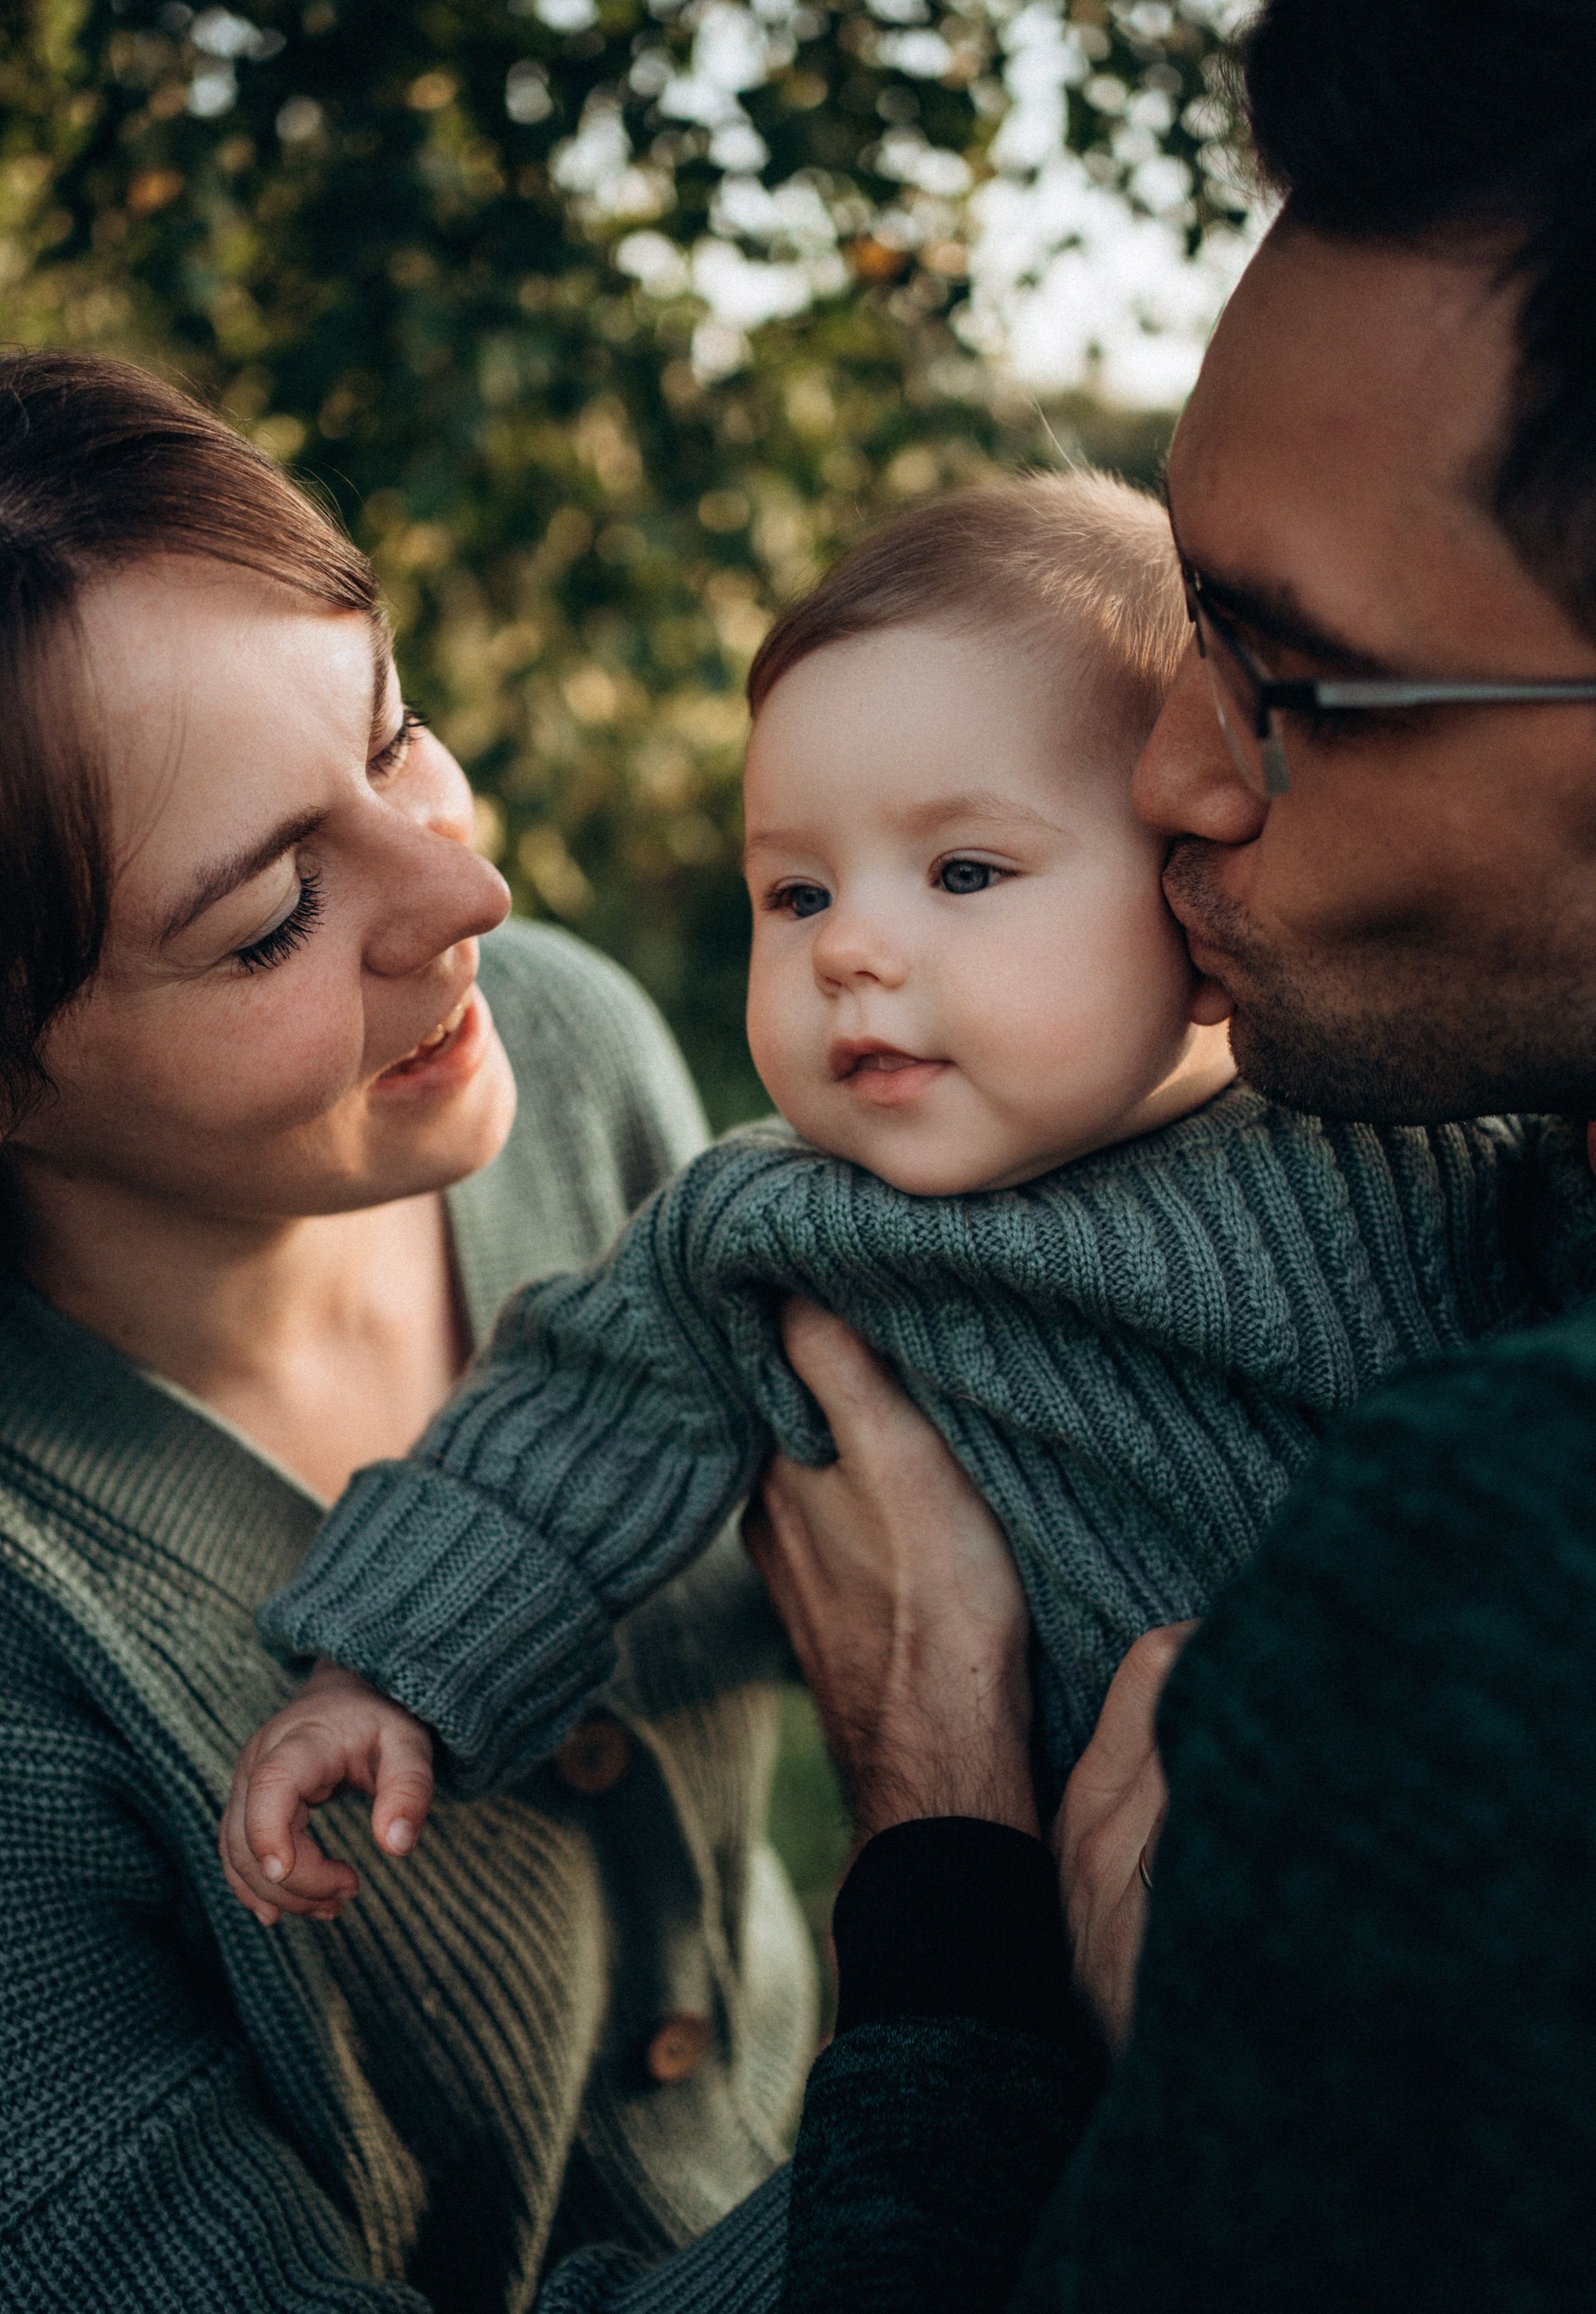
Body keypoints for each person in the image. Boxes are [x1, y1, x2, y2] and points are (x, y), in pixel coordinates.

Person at [741, 0, 1596, 2307]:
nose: (1173, 770)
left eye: (1296, 673)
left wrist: (948, 1891)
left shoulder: (1503, 1568)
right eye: (1183, 631)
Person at [216, 473, 1574, 1929]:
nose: (849, 947)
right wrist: (382, 1670)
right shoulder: (771, 1226)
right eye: (793, 893)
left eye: (963, 869)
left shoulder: (1417, 1144)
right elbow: (560, 1437)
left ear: (1193, 886)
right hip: (1059, 1955)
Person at [0, 351, 815, 2312]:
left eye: (397, 738)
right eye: (275, 910)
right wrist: (1019, 2053)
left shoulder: (564, 1047)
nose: (467, 887)